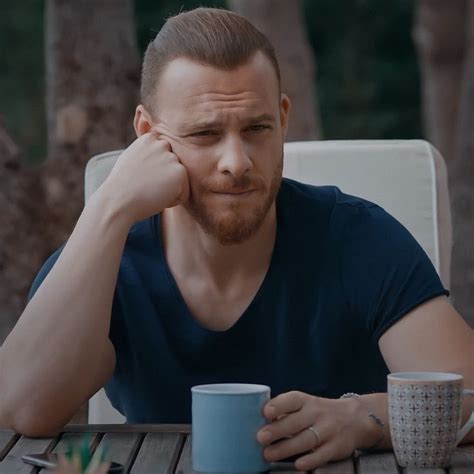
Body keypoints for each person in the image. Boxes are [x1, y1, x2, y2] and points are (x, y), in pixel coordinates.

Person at [0, 7, 472, 470]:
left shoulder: (358, 238)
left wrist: (364, 417)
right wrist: (109, 206)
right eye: (205, 134)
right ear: (147, 134)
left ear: (283, 118)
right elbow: (24, 408)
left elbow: (468, 392)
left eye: (256, 128)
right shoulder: (109, 256)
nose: (237, 161)